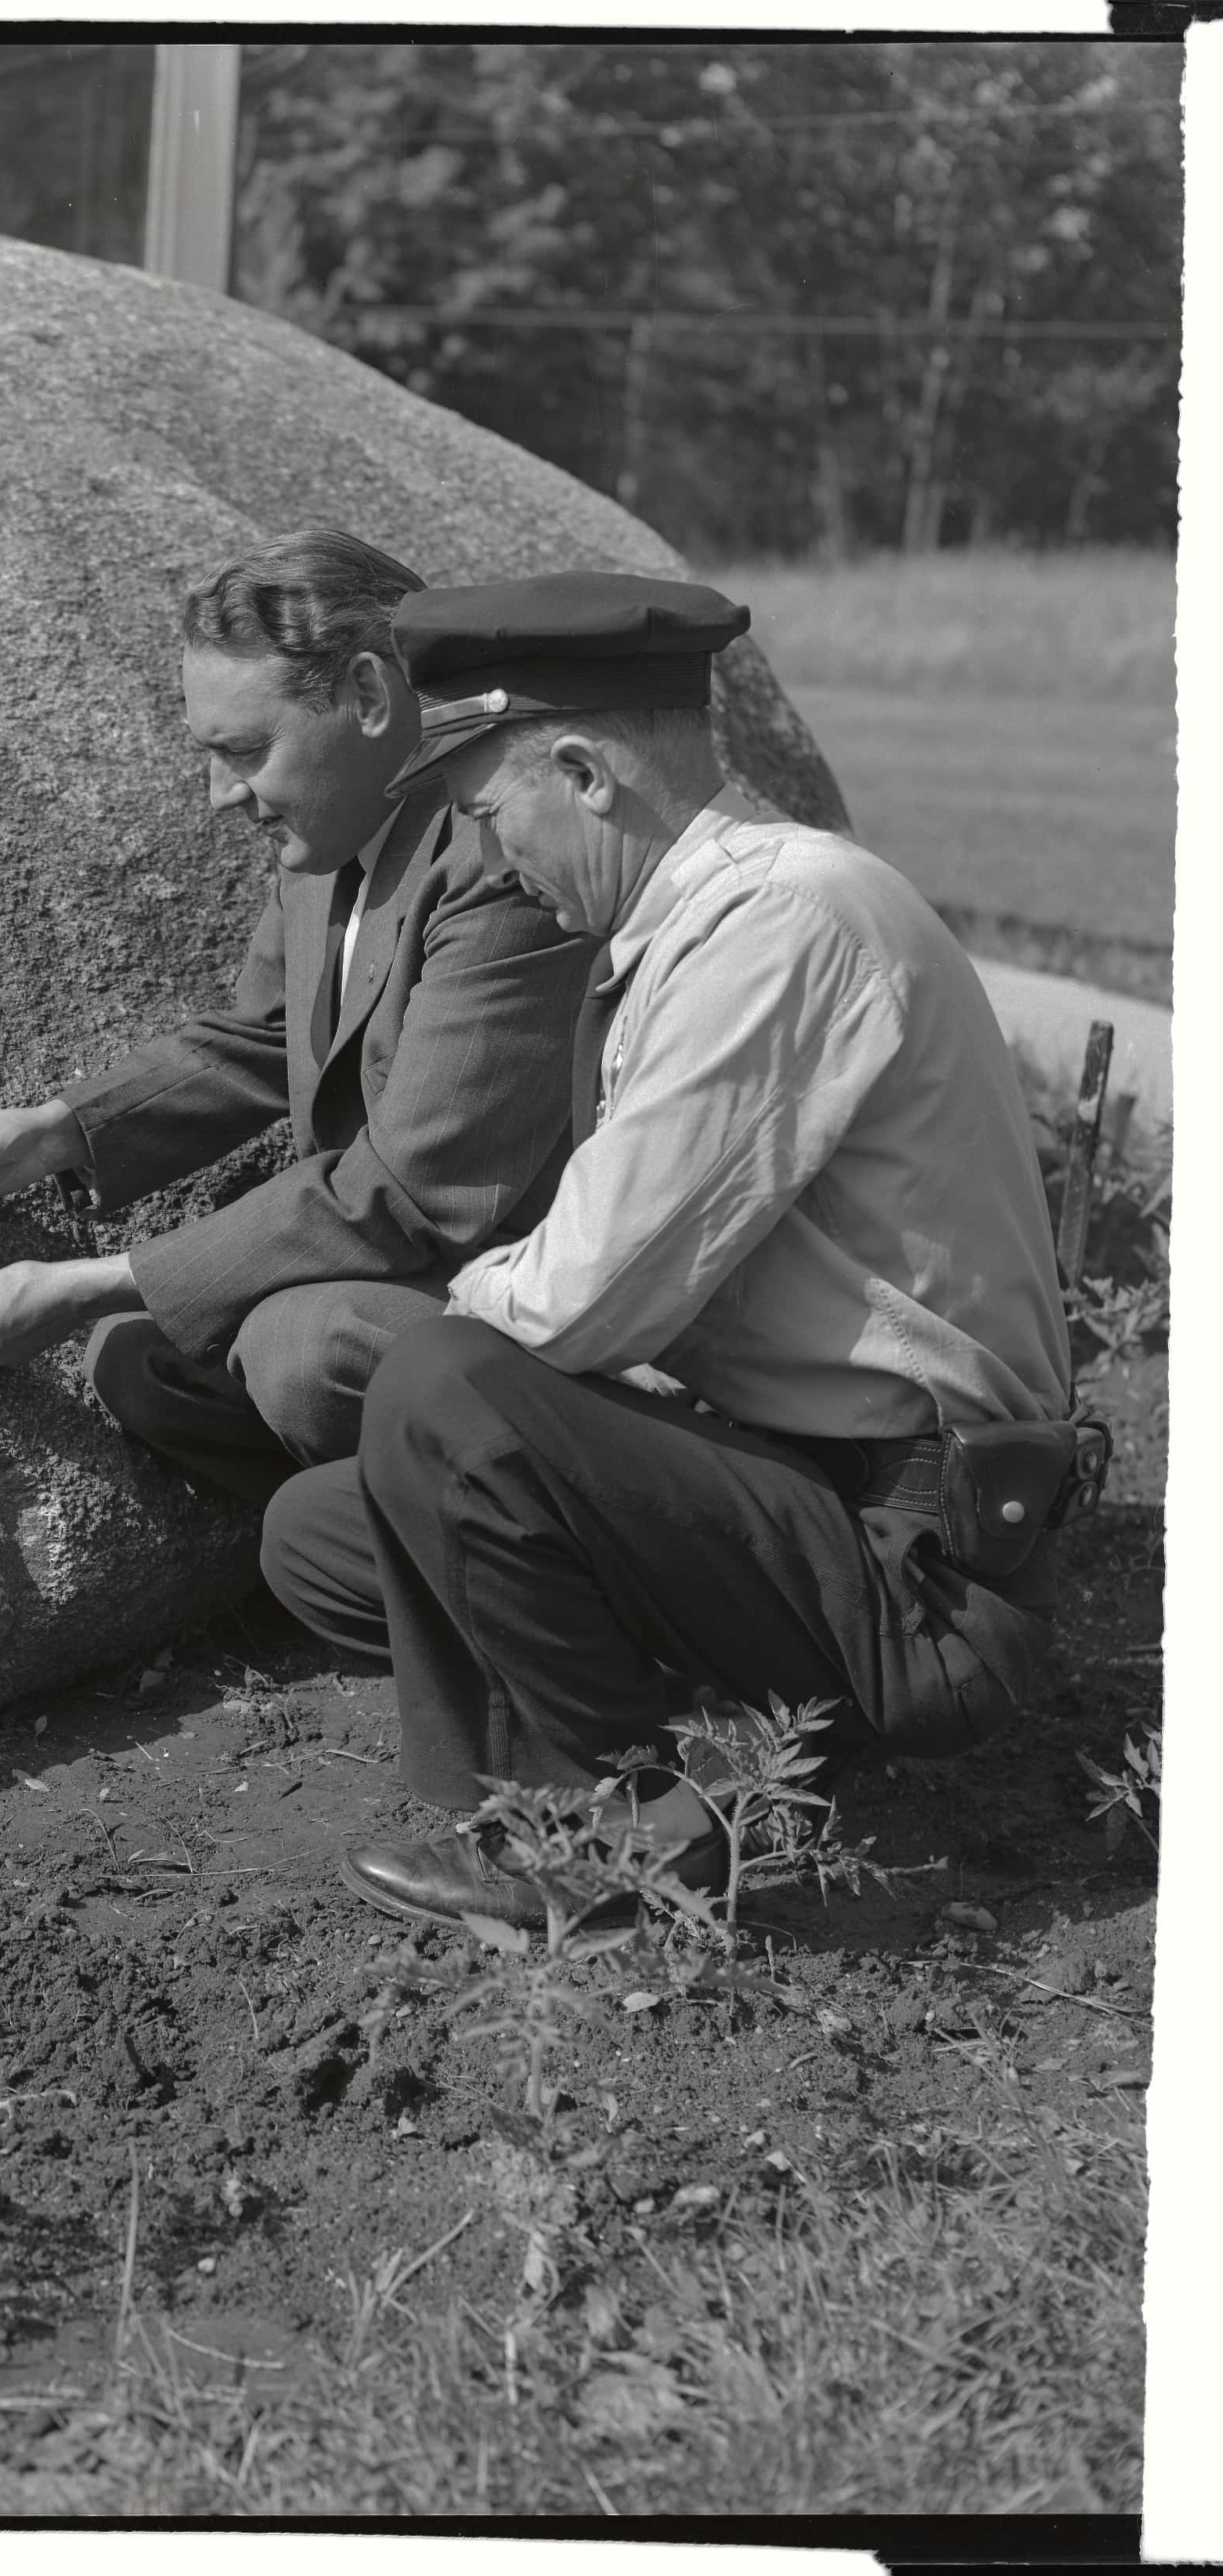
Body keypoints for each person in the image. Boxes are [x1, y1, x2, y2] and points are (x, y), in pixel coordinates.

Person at [251, 570, 1086, 1931]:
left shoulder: (782, 923)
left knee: (444, 1393)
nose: (489, 853)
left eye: (488, 808)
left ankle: (612, 1835)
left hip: (924, 1567)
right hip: (813, 1480)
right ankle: (732, 1727)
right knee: (323, 1535)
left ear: (582, 771)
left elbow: (580, 1300)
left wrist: (450, 1318)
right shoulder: (707, 920)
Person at [0, 531, 598, 1505]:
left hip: (537, 1306)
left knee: (298, 1351)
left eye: (244, 752)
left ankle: (520, 1551)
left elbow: (407, 1194)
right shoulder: (333, 830)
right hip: (398, 1283)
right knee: (139, 1359)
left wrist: (90, 1279)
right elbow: (265, 1036)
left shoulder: (500, 863)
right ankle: (349, 1540)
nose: (220, 796)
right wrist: (58, 1133)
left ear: (366, 696)